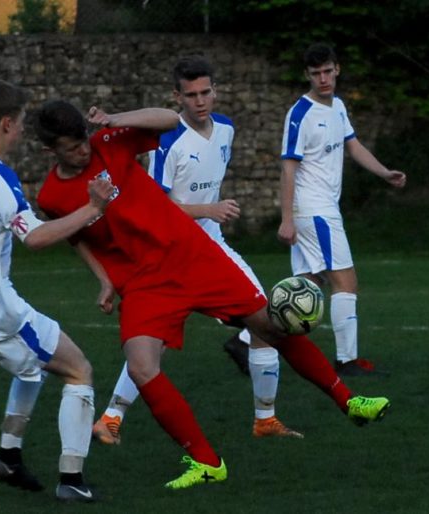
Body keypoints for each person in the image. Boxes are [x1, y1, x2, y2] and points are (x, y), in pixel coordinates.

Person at [35, 99, 391, 490]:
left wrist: (114, 118)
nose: (84, 150)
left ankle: (349, 401)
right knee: (141, 366)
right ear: (51, 148)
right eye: (72, 147)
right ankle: (206, 461)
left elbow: (171, 119)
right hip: (142, 282)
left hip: (189, 254)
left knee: (270, 326)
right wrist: (103, 278)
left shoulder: (109, 140)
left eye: (83, 141)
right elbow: (76, 237)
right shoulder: (52, 195)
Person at [92, 56, 302, 447]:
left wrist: (210, 216)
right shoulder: (166, 142)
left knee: (267, 323)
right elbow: (152, 206)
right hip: (168, 254)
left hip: (211, 247)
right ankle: (111, 416)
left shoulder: (225, 129)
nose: (200, 100)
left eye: (206, 92)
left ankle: (266, 419)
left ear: (215, 91)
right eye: (190, 95)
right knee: (150, 346)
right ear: (177, 97)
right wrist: (209, 209)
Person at [0, 79, 115, 502]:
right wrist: (93, 209)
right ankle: (71, 480)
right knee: (79, 370)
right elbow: (33, 237)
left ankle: (8, 458)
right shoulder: (0, 178)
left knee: (30, 370)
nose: (23, 132)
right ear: (7, 124)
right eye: (21, 124)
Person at [278, 43, 407, 376]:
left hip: (321, 209)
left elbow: (353, 145)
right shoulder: (301, 114)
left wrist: (384, 172)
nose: (323, 78)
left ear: (337, 69)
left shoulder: (337, 106)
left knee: (306, 288)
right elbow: (288, 168)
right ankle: (347, 360)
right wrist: (287, 220)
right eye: (316, 73)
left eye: (327, 71)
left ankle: (249, 339)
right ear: (307, 75)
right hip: (314, 211)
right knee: (346, 283)